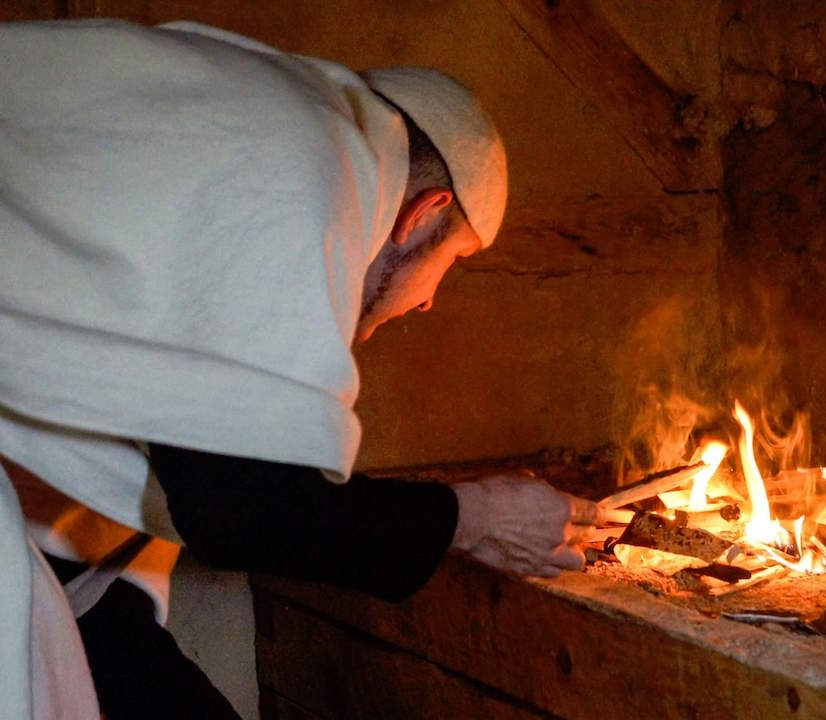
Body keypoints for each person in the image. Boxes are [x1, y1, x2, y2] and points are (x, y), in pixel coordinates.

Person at [0, 18, 599, 720]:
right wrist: (476, 518)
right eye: (452, 263)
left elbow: (180, 490)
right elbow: (240, 508)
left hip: (63, 578)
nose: (431, 300)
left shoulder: (262, 123)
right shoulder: (305, 160)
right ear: (424, 212)